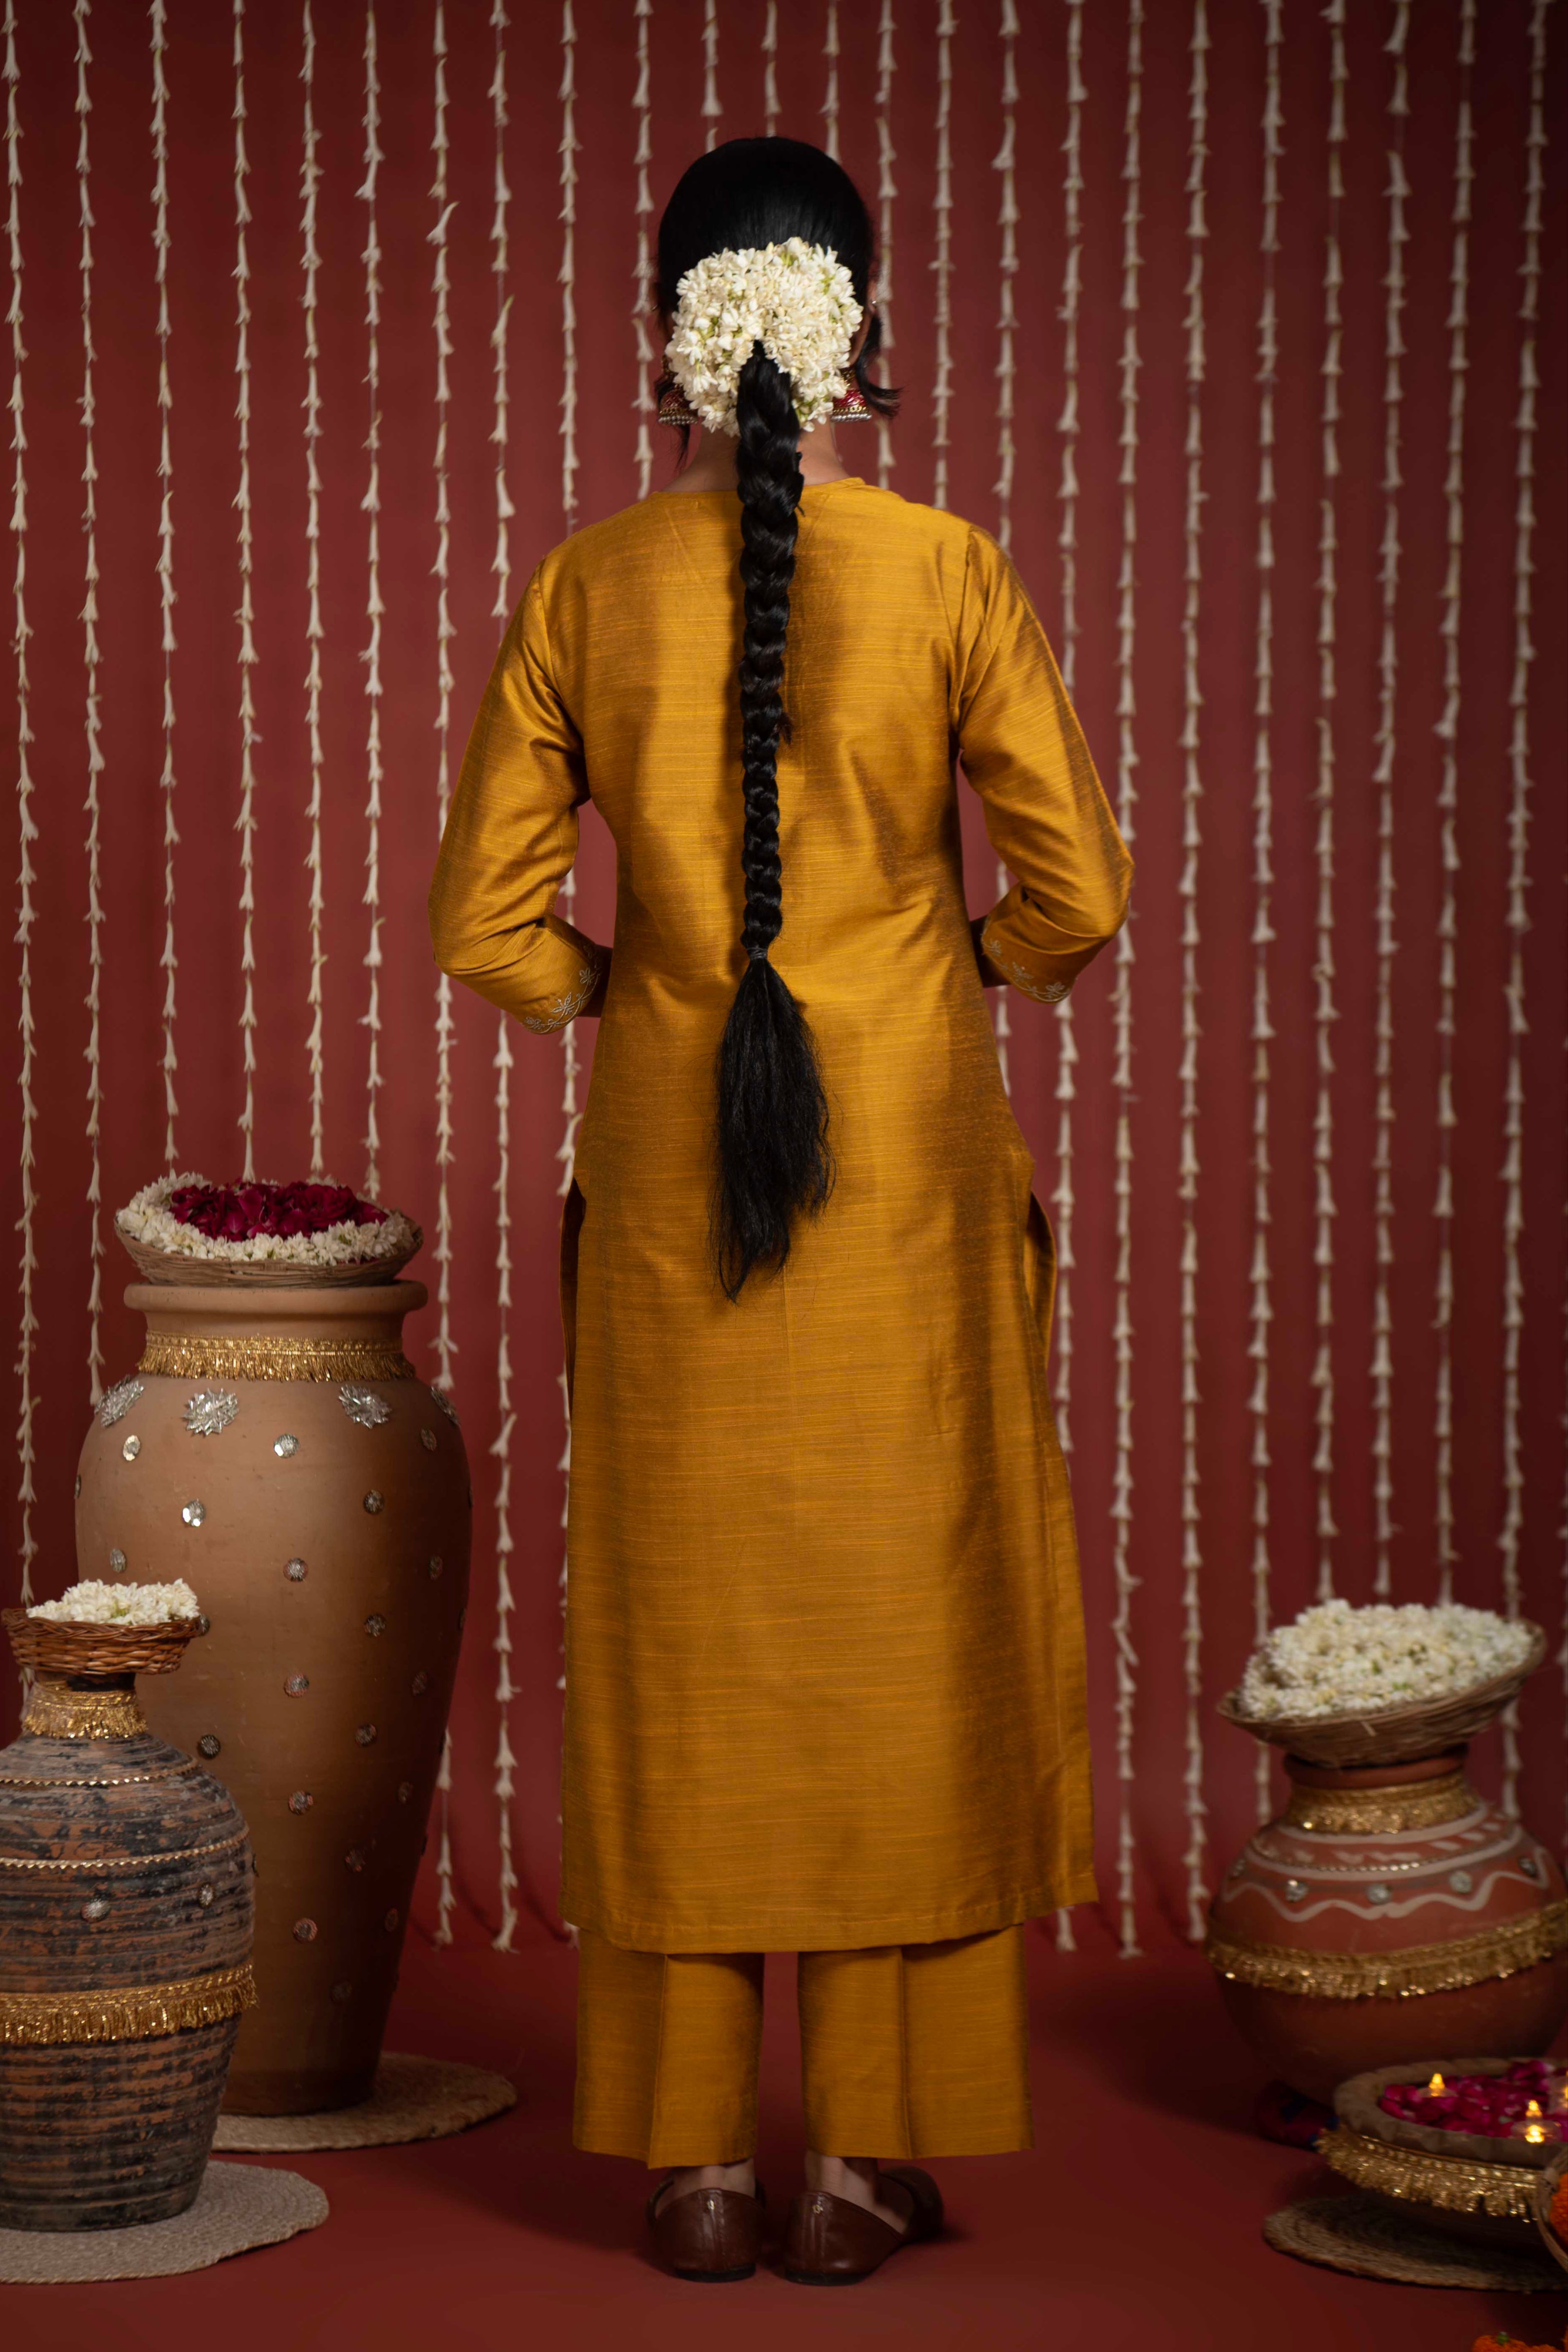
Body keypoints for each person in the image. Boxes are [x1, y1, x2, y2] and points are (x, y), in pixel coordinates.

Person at [430, 137, 1131, 2287]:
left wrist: (638, 1002)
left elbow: (485, 924)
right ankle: (860, 2161)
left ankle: (694, 2167)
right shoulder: (948, 571)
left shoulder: (585, 585)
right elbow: (1079, 892)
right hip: (902, 1157)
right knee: (909, 1624)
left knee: (685, 1636)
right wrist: (941, 977)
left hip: (677, 1166)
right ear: (861, 334)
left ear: (668, 342)